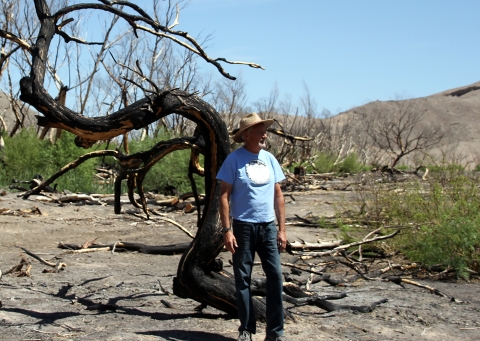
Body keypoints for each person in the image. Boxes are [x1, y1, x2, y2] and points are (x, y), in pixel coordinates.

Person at [216, 113, 288, 341]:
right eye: (260, 130)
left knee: (275, 276)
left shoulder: (270, 159)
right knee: (243, 278)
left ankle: (276, 333)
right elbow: (224, 196)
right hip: (243, 228)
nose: (264, 134)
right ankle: (246, 329)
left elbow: (278, 196)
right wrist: (227, 230)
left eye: (264, 130)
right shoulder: (234, 160)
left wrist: (282, 229)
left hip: (267, 227)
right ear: (247, 135)